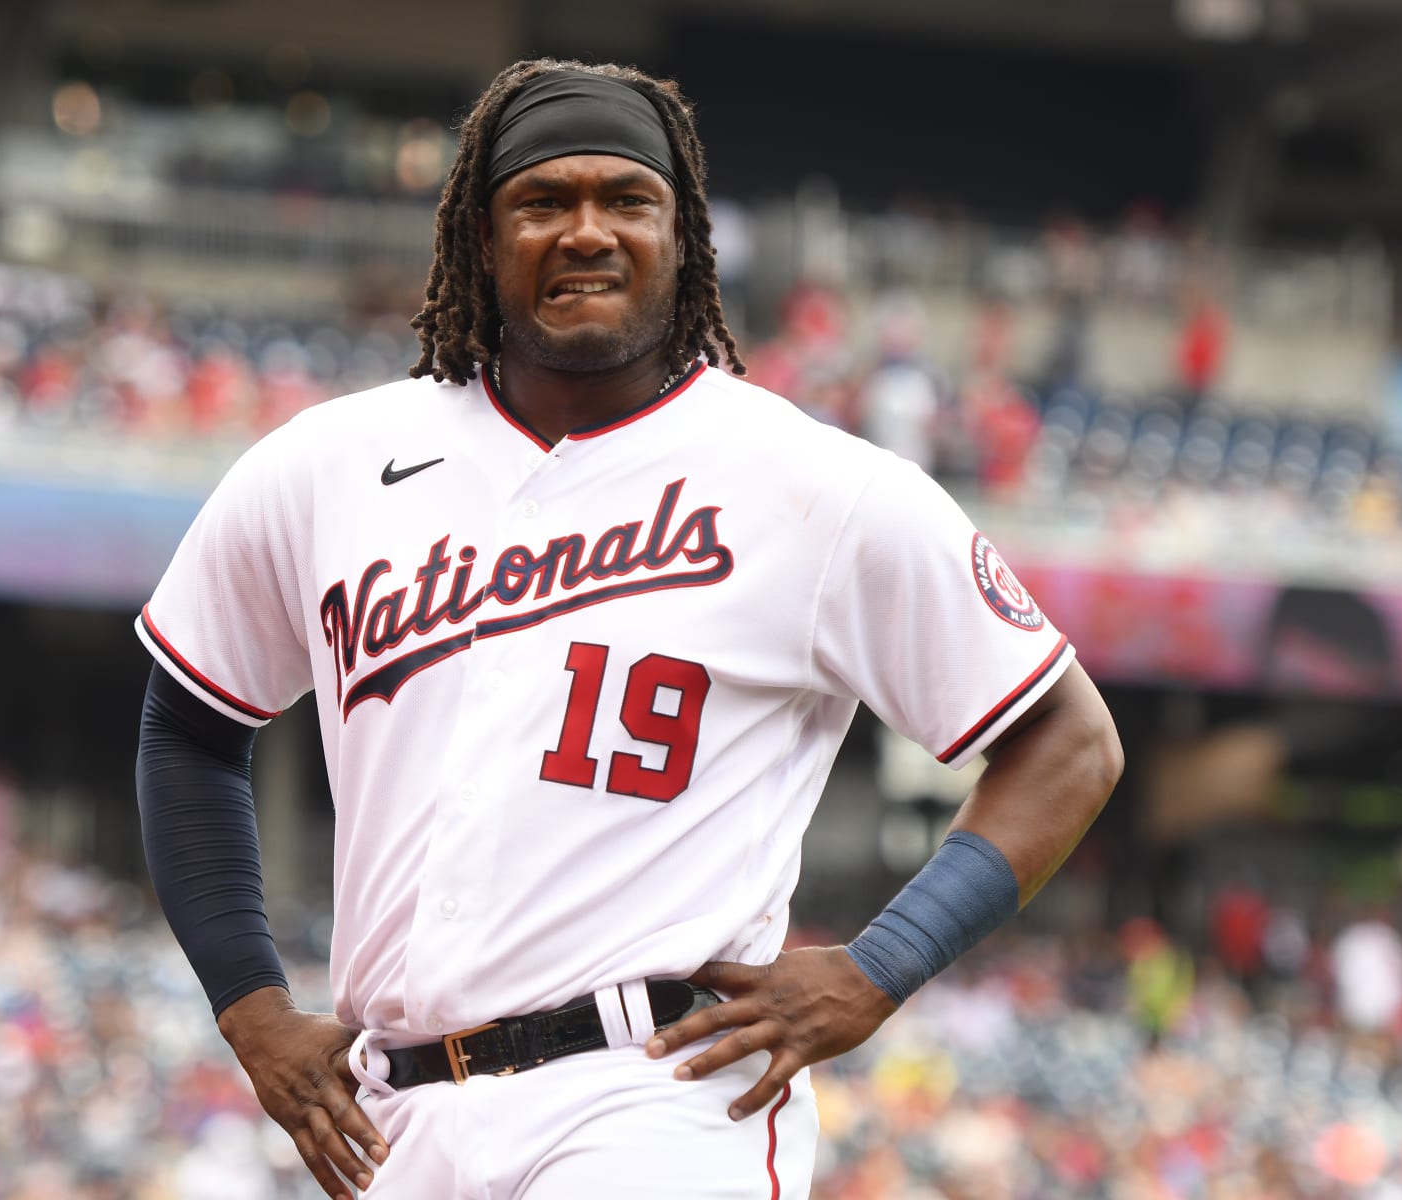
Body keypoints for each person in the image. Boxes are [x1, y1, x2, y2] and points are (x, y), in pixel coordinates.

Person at [134, 58, 1123, 1199]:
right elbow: (190, 727)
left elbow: (1070, 742)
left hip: (651, 1096)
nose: (587, 231)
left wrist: (881, 967)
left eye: (627, 200)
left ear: (684, 235)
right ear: (479, 235)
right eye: (543, 202)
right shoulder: (329, 467)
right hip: (394, 1120)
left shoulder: (818, 486)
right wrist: (251, 1008)